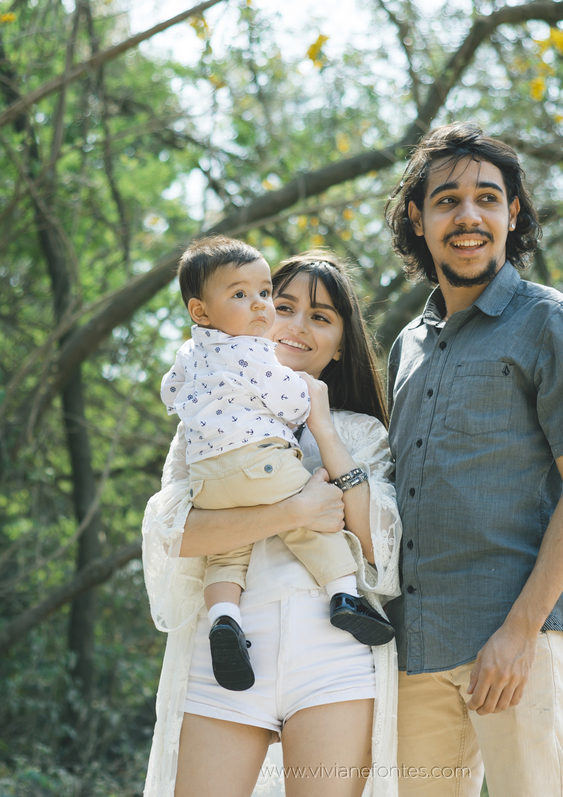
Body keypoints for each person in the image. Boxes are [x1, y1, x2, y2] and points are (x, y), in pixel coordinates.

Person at [383, 121, 563, 797]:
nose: (469, 216)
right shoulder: (407, 346)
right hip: (416, 647)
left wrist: (519, 632)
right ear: (418, 219)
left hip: (517, 640)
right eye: (447, 200)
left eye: (487, 198)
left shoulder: (555, 323)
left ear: (512, 215)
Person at [142, 252, 400, 797]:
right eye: (283, 306)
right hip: (226, 653)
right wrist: (291, 513)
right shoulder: (206, 419)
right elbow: (173, 538)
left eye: (321, 317)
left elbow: (380, 548)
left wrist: (323, 426)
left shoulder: (363, 432)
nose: (297, 325)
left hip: (334, 657)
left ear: (340, 345)